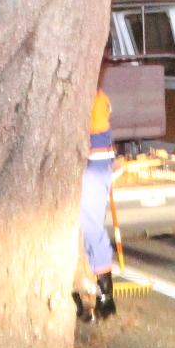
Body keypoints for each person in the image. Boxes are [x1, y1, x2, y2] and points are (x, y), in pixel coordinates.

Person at [73, 87, 119, 322]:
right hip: (95, 159)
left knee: (90, 226)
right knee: (82, 228)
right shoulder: (96, 95)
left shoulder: (95, 98)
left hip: (95, 160)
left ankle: (105, 298)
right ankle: (86, 297)